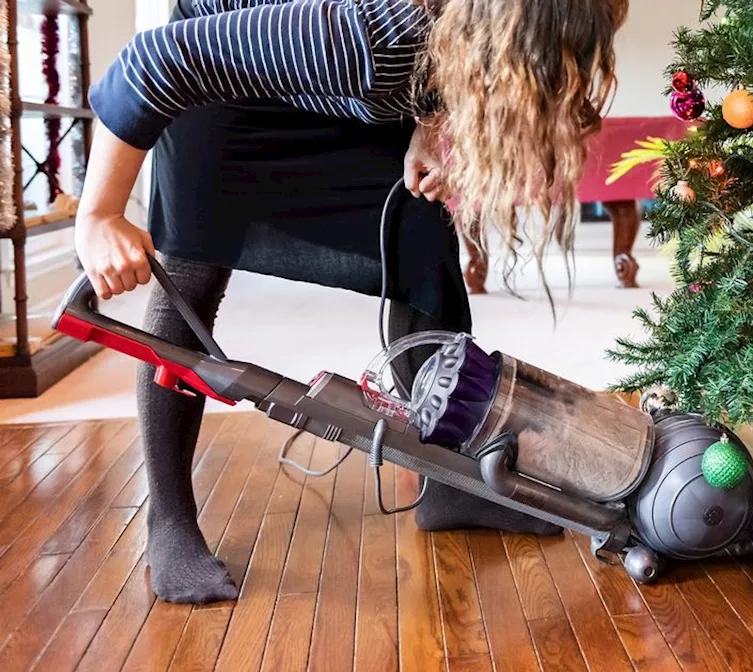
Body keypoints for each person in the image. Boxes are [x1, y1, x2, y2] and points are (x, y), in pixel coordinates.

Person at [76, 0, 628, 604]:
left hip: (340, 91)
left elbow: (448, 64)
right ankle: (170, 519)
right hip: (213, 82)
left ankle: (450, 481)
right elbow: (154, 60)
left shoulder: (433, 35)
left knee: (420, 241)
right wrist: (99, 214)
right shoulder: (369, 37)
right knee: (191, 272)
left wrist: (426, 132)